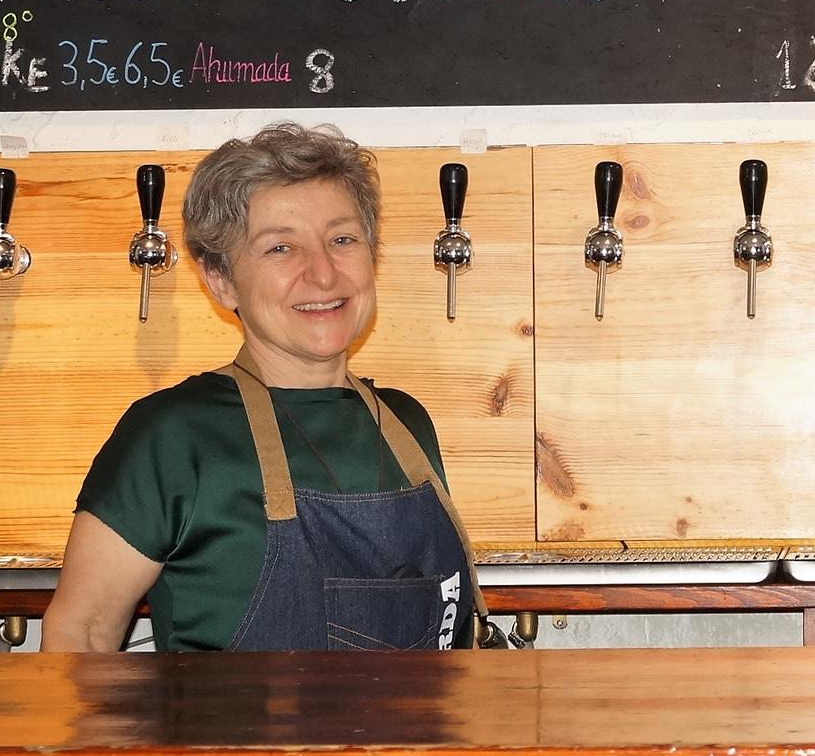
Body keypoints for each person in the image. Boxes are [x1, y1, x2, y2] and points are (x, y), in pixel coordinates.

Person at [44, 123, 486, 652]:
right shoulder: (173, 436)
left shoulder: (407, 427)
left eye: (342, 240)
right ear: (220, 279)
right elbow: (83, 634)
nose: (322, 274)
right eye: (280, 248)